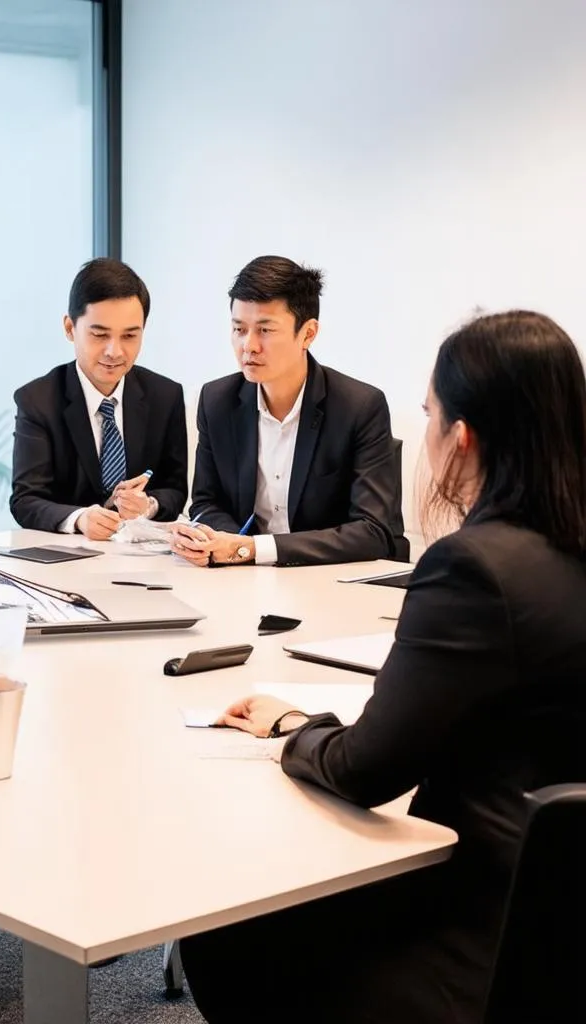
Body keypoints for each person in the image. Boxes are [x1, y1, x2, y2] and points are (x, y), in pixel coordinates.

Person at [179, 309, 586, 1023]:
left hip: (475, 934)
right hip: (561, 921)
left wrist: (296, 731)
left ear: (463, 438)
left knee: (221, 934)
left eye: (428, 415)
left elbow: (365, 771)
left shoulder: (473, 568)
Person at [170, 255, 407, 567]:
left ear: (307, 333)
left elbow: (373, 531)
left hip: (331, 581)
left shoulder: (359, 407)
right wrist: (215, 541)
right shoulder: (217, 400)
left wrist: (252, 549)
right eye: (239, 329)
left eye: (265, 330)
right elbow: (205, 501)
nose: (249, 346)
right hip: (245, 580)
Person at [10, 258, 188, 538]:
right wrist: (80, 518)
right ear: (70, 328)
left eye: (129, 336)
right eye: (99, 335)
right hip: (66, 558)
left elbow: (175, 489)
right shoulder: (38, 400)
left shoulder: (165, 396)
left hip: (141, 557)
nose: (114, 351)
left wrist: (148, 505)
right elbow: (26, 501)